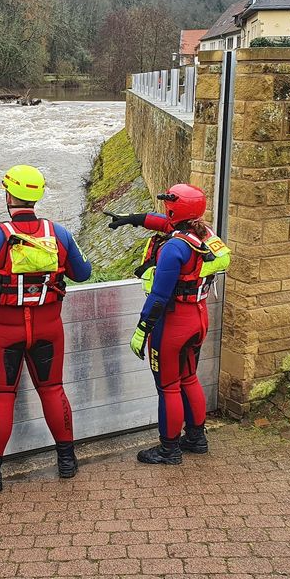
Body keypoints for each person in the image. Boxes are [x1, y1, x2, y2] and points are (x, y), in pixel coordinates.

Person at [0, 164, 92, 492]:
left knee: (2, 396)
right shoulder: (59, 234)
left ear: (9, 195)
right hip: (48, 328)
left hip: (4, 333)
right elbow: (83, 273)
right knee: (52, 389)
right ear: (37, 197)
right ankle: (66, 460)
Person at [106, 183, 230, 464]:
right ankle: (197, 438)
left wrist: (142, 329)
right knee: (189, 378)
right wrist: (132, 220)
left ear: (174, 207)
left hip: (173, 324)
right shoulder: (204, 235)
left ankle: (169, 449)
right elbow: (163, 223)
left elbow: (160, 296)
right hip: (198, 317)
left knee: (169, 387)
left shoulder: (174, 248)